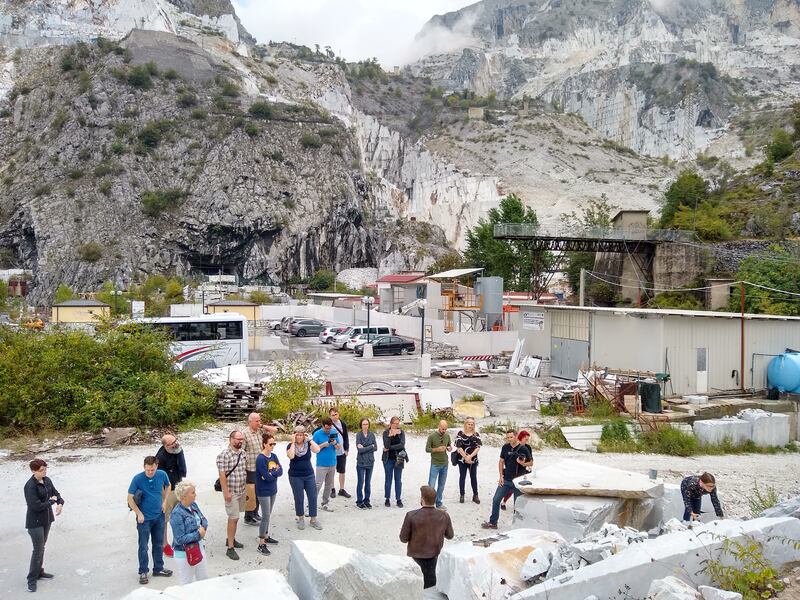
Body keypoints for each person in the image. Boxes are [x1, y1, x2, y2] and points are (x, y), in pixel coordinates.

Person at [127, 456, 173, 584]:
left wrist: (165, 501)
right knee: (143, 546)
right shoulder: (137, 479)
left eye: (152, 470)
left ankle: (158, 568)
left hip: (159, 515)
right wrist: (139, 513)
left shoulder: (161, 474)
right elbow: (130, 498)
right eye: (148, 470)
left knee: (158, 544)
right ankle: (143, 571)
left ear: (156, 466)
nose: (150, 472)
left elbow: (168, 486)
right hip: (144, 519)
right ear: (144, 467)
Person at [399, 485, 454, 590]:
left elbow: (403, 539)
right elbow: (450, 536)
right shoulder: (444, 515)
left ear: (422, 499)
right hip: (434, 557)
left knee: (415, 588)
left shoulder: (411, 515)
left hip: (415, 557)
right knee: (431, 588)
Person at [24, 458, 64, 593]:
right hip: (34, 522)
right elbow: (35, 506)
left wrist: (59, 503)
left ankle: (39, 572)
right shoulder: (30, 486)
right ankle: (31, 578)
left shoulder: (47, 480)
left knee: (42, 547)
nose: (44, 472)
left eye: (45, 469)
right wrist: (51, 502)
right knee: (38, 549)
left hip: (47, 520)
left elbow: (56, 494)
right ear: (33, 471)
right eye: (41, 470)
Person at [481, 430, 533, 529]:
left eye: (511, 437)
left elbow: (531, 463)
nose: (509, 439)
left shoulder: (524, 448)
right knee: (496, 500)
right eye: (507, 437)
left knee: (518, 505)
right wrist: (500, 476)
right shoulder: (505, 447)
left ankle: (518, 526)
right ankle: (493, 522)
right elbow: (501, 461)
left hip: (519, 481)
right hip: (506, 479)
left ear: (516, 436)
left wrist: (523, 463)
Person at [169, 481, 208, 585]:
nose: (195, 494)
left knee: (204, 580)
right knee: (186, 585)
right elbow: (180, 539)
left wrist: (203, 527)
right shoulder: (176, 514)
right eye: (193, 493)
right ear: (183, 496)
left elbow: (203, 519)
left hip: (199, 549)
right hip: (184, 554)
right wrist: (199, 534)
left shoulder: (193, 505)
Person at [216, 430, 247, 560]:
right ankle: (230, 548)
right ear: (231, 439)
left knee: (236, 517)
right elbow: (222, 475)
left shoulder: (243, 453)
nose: (240, 441)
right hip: (231, 491)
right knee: (233, 518)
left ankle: (231, 539)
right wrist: (226, 492)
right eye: (237, 439)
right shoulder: (224, 455)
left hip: (241, 490)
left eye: (242, 439)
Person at [242, 412, 278, 525]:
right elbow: (241, 452)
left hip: (261, 467)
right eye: (256, 421)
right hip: (250, 468)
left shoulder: (260, 431)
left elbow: (274, 430)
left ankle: (255, 513)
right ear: (250, 422)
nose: (259, 422)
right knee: (251, 493)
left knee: (259, 492)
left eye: (259, 420)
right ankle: (248, 517)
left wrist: (261, 426)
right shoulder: (244, 434)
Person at [155, 433, 187, 557]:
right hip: (167, 490)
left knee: (180, 516)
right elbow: (159, 479)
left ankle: (181, 541)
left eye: (175, 441)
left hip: (179, 487)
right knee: (165, 519)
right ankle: (164, 544)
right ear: (165, 446)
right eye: (172, 443)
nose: (176, 444)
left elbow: (181, 466)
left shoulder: (177, 449)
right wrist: (164, 498)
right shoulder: (160, 457)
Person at [287, 426, 323, 530]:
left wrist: (310, 440)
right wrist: (293, 442)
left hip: (309, 475)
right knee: (299, 497)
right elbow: (291, 456)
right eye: (297, 434)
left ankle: (313, 519)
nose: (299, 436)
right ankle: (301, 518)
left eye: (301, 434)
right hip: (295, 476)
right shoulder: (290, 445)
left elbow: (317, 450)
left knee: (312, 496)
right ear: (294, 435)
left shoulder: (308, 444)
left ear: (304, 435)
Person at [255, 433, 283, 555]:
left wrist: (272, 474)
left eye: (274, 444)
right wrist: (273, 474)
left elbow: (280, 471)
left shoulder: (274, 456)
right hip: (263, 491)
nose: (273, 446)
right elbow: (266, 477)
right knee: (265, 516)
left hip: (272, 490)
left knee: (268, 514)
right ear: (264, 444)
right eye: (270, 444)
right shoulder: (260, 459)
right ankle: (261, 543)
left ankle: (266, 535)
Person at [312, 418, 340, 512]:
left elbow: (338, 447)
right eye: (326, 428)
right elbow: (313, 449)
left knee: (329, 484)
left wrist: (335, 443)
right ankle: (311, 504)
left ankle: (325, 503)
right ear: (323, 426)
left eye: (329, 428)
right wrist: (324, 445)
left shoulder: (333, 432)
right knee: (317, 485)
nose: (328, 430)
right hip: (321, 464)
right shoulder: (317, 434)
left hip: (332, 462)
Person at [500, 430, 532, 510]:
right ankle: (504, 502)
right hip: (510, 473)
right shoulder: (510, 446)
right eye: (525, 439)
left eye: (528, 439)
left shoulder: (527, 447)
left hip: (522, 472)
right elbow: (502, 460)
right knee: (510, 491)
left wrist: (524, 463)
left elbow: (530, 460)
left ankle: (519, 509)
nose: (526, 441)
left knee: (521, 492)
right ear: (520, 438)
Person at [454, 417, 482, 504]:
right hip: (462, 459)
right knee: (462, 476)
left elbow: (478, 447)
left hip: (473, 460)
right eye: (468, 424)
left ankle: (475, 495)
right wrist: (466, 457)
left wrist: (470, 457)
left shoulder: (476, 434)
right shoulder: (460, 434)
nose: (470, 425)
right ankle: (462, 495)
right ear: (465, 424)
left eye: (472, 424)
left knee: (473, 477)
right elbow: (458, 447)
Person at [425, 419, 452, 510]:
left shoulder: (447, 436)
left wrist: (449, 448)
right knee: (431, 485)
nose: (444, 431)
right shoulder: (432, 436)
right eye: (443, 429)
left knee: (441, 485)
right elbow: (427, 449)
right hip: (435, 463)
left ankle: (439, 503)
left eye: (445, 429)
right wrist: (437, 449)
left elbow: (449, 445)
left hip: (445, 463)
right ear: (439, 427)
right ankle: (429, 504)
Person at [382, 416, 406, 508]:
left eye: (397, 423)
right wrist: (390, 436)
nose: (396, 425)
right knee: (388, 479)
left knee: (398, 479)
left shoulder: (401, 432)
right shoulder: (385, 432)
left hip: (399, 457)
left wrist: (389, 448)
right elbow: (386, 444)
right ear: (391, 424)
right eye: (395, 423)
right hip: (388, 459)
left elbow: (402, 445)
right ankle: (387, 498)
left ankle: (398, 499)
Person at [329, 407, 351, 499]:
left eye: (336, 414)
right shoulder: (329, 425)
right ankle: (332, 489)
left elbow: (346, 437)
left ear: (338, 414)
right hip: (332, 452)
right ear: (330, 416)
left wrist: (347, 449)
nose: (334, 416)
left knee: (342, 471)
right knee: (331, 471)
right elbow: (318, 431)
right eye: (332, 415)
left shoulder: (343, 424)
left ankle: (341, 489)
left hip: (342, 451)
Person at [355, 417, 377, 509]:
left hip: (370, 461)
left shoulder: (372, 435)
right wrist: (370, 447)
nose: (365, 426)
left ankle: (367, 500)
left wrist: (365, 447)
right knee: (361, 482)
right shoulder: (358, 435)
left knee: (368, 482)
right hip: (361, 462)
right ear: (361, 425)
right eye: (364, 424)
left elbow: (375, 448)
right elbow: (359, 450)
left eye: (367, 424)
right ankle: (359, 501)